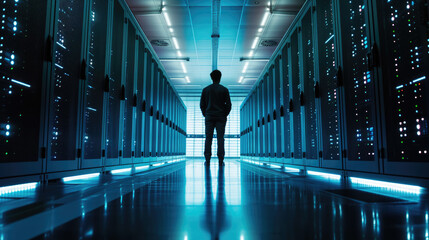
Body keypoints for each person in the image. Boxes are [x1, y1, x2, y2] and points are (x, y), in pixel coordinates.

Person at [200, 70, 231, 166]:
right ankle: (221, 160)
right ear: (220, 77)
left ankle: (207, 159)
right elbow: (229, 105)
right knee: (220, 138)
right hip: (221, 117)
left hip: (209, 116)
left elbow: (202, 105)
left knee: (208, 138)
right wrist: (224, 114)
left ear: (211, 78)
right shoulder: (224, 89)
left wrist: (206, 114)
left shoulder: (205, 90)